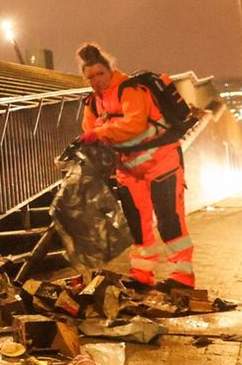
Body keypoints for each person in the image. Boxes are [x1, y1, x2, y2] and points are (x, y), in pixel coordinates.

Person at [76, 43, 194, 288]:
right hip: (128, 170)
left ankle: (182, 278)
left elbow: (135, 124)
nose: (96, 81)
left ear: (111, 70)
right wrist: (94, 138)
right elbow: (90, 132)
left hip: (162, 162)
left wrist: (101, 132)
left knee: (169, 221)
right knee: (138, 227)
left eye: (100, 74)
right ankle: (143, 276)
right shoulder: (92, 102)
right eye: (90, 77)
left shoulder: (129, 89)